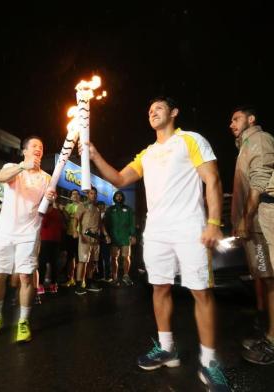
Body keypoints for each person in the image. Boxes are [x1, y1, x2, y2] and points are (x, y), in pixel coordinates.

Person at [81, 96, 229, 391]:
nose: (152, 112)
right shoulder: (147, 154)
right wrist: (94, 155)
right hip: (157, 230)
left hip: (189, 227)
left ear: (174, 112)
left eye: (158, 108)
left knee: (200, 291)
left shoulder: (190, 140)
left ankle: (211, 362)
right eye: (149, 110)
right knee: (159, 287)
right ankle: (166, 348)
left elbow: (212, 179)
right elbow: (121, 179)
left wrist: (213, 223)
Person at [0, 136, 53, 343]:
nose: (38, 148)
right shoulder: (13, 166)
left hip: (29, 232)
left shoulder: (47, 177)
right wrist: (23, 166)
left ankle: (23, 321)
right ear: (24, 150)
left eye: (41, 146)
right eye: (34, 146)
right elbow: (1, 177)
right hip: (5, 231)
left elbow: (44, 207)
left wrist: (50, 199)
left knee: (25, 277)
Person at [229, 106, 274, 365]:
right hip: (257, 220)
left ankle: (271, 341)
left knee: (271, 280)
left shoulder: (259, 139)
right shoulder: (246, 146)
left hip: (265, 218)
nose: (231, 123)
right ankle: (268, 334)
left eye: (236, 119)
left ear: (251, 119)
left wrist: (245, 219)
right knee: (267, 279)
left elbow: (259, 183)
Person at [74, 187, 104, 295]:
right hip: (85, 237)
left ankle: (89, 283)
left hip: (95, 238)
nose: (94, 195)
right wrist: (75, 231)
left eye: (95, 193)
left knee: (92, 262)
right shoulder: (82, 205)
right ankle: (78, 286)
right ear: (88, 195)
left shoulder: (97, 208)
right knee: (82, 261)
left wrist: (106, 235)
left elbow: (100, 224)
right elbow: (76, 219)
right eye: (91, 193)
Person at [104, 190, 136, 286]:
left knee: (126, 257)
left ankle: (126, 276)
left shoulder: (128, 209)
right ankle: (115, 278)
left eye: (120, 196)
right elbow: (106, 223)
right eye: (117, 196)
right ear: (114, 198)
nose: (118, 198)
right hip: (113, 237)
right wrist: (107, 235)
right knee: (114, 258)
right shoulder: (110, 210)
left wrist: (133, 235)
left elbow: (132, 223)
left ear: (122, 198)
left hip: (125, 236)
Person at [61, 189, 81, 287]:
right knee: (70, 257)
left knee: (81, 259)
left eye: (77, 194)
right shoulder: (68, 206)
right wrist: (64, 211)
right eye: (73, 194)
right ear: (70, 196)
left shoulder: (82, 205)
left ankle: (81, 280)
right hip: (70, 234)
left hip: (81, 235)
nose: (75, 195)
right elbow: (67, 219)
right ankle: (71, 279)